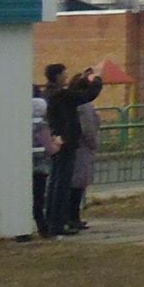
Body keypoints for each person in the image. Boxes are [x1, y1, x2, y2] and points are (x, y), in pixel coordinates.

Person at [43, 65, 101, 240]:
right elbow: (86, 96)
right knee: (62, 183)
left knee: (55, 181)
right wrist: (96, 79)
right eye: (64, 74)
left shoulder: (51, 93)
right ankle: (58, 224)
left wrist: (83, 79)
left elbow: (74, 94)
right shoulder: (61, 95)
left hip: (55, 140)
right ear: (58, 76)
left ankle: (52, 220)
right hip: (66, 142)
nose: (66, 76)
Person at [27, 85, 54, 240]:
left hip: (25, 165)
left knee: (25, 197)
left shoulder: (22, 121)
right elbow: (49, 148)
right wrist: (57, 144)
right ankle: (42, 227)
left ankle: (22, 230)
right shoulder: (41, 124)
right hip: (40, 166)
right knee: (38, 198)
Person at [69, 98, 99, 233]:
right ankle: (73, 217)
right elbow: (88, 129)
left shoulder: (71, 102)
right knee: (78, 183)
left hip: (73, 147)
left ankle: (70, 216)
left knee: (72, 182)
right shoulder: (84, 105)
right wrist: (93, 144)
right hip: (82, 148)